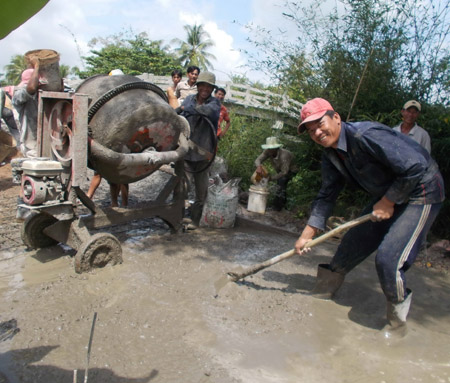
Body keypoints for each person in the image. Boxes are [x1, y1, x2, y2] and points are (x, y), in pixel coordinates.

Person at [294, 98, 444, 338]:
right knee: (350, 245)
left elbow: (416, 166)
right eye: (311, 131)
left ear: (336, 117)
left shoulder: (366, 135)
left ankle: (396, 327)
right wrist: (306, 235)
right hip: (388, 195)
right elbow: (327, 195)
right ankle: (323, 292)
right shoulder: (330, 155)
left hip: (421, 191)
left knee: (388, 260)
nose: (317, 133)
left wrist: (388, 201)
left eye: (320, 124)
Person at [176, 71, 220, 226]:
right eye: (203, 85)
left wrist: (184, 108)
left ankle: (195, 220)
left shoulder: (214, 104)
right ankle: (179, 217)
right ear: (198, 86)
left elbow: (207, 112)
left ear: (212, 89)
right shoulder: (189, 99)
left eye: (209, 87)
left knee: (201, 192)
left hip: (204, 155)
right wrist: (181, 109)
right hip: (187, 152)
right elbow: (181, 115)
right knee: (183, 188)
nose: (205, 89)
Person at [12, 57, 44, 157]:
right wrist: (37, 66)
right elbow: (31, 88)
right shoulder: (19, 95)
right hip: (31, 145)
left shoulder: (40, 95)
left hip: (44, 142)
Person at [254, 136, 297, 211]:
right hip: (280, 169)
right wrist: (259, 167)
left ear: (276, 148)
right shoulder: (267, 152)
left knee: (281, 182)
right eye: (268, 148)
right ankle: (281, 203)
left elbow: (284, 172)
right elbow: (258, 160)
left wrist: (270, 178)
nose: (269, 150)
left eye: (271, 149)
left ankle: (277, 207)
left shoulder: (284, 155)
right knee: (262, 177)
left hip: (290, 170)